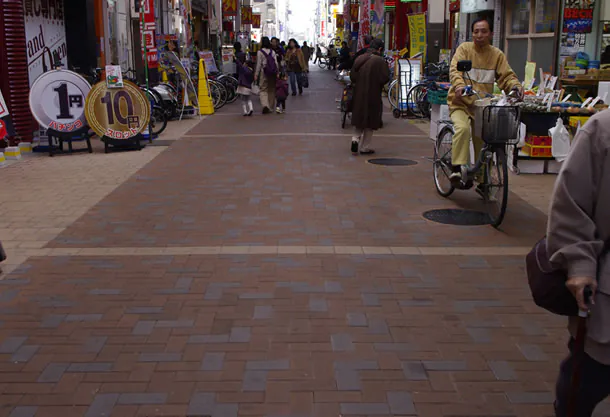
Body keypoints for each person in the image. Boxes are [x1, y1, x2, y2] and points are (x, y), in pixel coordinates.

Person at [546, 109, 610, 417]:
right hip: (605, 304)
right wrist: (580, 266)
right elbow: (570, 206)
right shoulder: (602, 129)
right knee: (579, 390)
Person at [447, 17, 522, 189]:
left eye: (483, 31)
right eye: (476, 31)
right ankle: (457, 168)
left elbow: (507, 76)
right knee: (463, 129)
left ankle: (483, 179)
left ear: (491, 33)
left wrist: (515, 87)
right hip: (460, 103)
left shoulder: (497, 55)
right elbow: (454, 70)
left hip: (482, 107)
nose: (479, 35)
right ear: (472, 33)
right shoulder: (464, 49)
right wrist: (459, 86)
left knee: (484, 140)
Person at [349, 38, 390, 155]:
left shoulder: (360, 58)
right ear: (380, 48)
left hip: (359, 93)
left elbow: (353, 76)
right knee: (370, 121)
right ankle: (365, 147)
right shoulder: (379, 61)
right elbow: (385, 77)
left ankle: (355, 139)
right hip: (373, 94)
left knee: (359, 118)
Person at [255, 36, 279, 114]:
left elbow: (258, 64)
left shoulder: (260, 52)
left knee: (263, 89)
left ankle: (265, 105)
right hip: (272, 73)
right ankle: (271, 107)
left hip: (264, 73)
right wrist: (277, 72)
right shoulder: (273, 52)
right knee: (272, 89)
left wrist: (256, 74)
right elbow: (276, 63)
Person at [235, 42, 254, 116]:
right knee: (249, 99)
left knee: (243, 99)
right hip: (248, 87)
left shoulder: (243, 69)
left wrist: (235, 58)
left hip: (242, 86)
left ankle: (245, 111)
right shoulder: (251, 71)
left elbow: (239, 64)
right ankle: (251, 108)